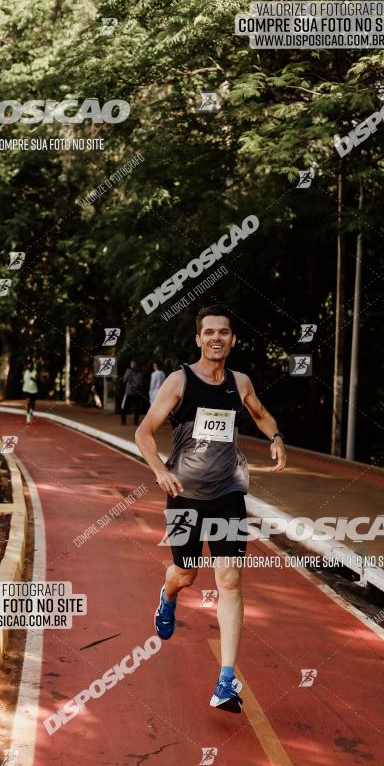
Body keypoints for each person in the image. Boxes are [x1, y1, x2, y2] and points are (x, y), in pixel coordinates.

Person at [135, 305, 286, 713]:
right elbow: (144, 431)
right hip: (184, 493)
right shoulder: (179, 381)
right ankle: (167, 597)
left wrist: (275, 436)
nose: (217, 338)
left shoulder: (240, 382)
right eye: (209, 332)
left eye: (224, 332)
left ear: (232, 340)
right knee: (186, 573)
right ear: (198, 339)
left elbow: (260, 414)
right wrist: (158, 470)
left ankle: (225, 680)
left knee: (231, 579)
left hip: (227, 495)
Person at [120, 359, 144, 425]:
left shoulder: (128, 371)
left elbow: (124, 379)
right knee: (136, 408)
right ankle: (135, 421)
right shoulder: (140, 372)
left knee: (125, 406)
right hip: (137, 392)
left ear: (133, 364)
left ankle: (123, 420)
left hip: (129, 391)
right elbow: (141, 383)